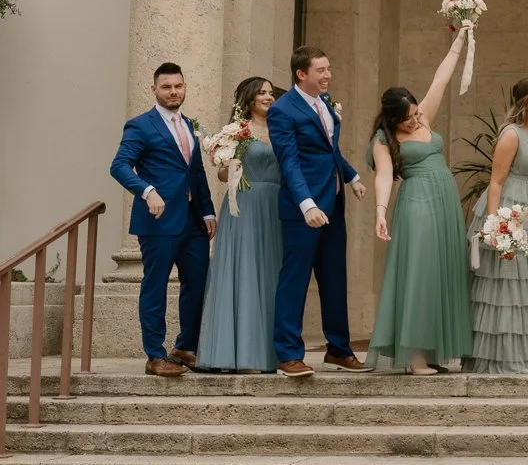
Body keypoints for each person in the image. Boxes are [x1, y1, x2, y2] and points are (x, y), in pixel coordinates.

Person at [367, 29, 474, 374]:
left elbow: (441, 79)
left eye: (415, 112)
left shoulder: (423, 116)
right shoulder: (384, 139)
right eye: (408, 117)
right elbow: (383, 176)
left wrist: (462, 39)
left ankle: (429, 352)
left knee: (439, 273)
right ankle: (413, 358)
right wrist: (380, 212)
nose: (415, 119)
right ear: (394, 118)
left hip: (444, 201)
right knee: (418, 274)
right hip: (417, 203)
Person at [108, 61, 215, 377]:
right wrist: (146, 190)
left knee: (197, 284)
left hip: (193, 222)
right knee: (155, 286)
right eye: (166, 87)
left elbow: (196, 172)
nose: (173, 92)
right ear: (154, 89)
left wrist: (207, 210)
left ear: (185, 87)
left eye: (178, 86)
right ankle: (155, 356)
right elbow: (120, 166)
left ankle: (185, 347)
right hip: (158, 221)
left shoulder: (191, 125)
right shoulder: (140, 126)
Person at [268, 46, 368, 378]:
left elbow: (329, 149)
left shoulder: (324, 104)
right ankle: (288, 354)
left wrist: (351, 176)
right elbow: (289, 162)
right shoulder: (283, 111)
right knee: (295, 279)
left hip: (333, 204)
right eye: (321, 70)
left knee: (334, 276)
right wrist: (306, 203)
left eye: (328, 69)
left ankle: (338, 349)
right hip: (304, 209)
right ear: (302, 74)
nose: (328, 75)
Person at [466, 75, 528, 373]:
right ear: (524, 103)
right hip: (509, 210)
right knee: (508, 286)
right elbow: (495, 182)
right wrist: (494, 225)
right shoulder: (511, 135)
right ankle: (505, 358)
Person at [195, 76, 282, 374]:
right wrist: (231, 165)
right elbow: (221, 175)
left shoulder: (282, 128)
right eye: (262, 93)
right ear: (249, 98)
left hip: (276, 205)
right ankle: (243, 355)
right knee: (246, 272)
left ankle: (271, 353)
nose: (269, 97)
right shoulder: (238, 132)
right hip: (244, 203)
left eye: (271, 93)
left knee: (271, 273)